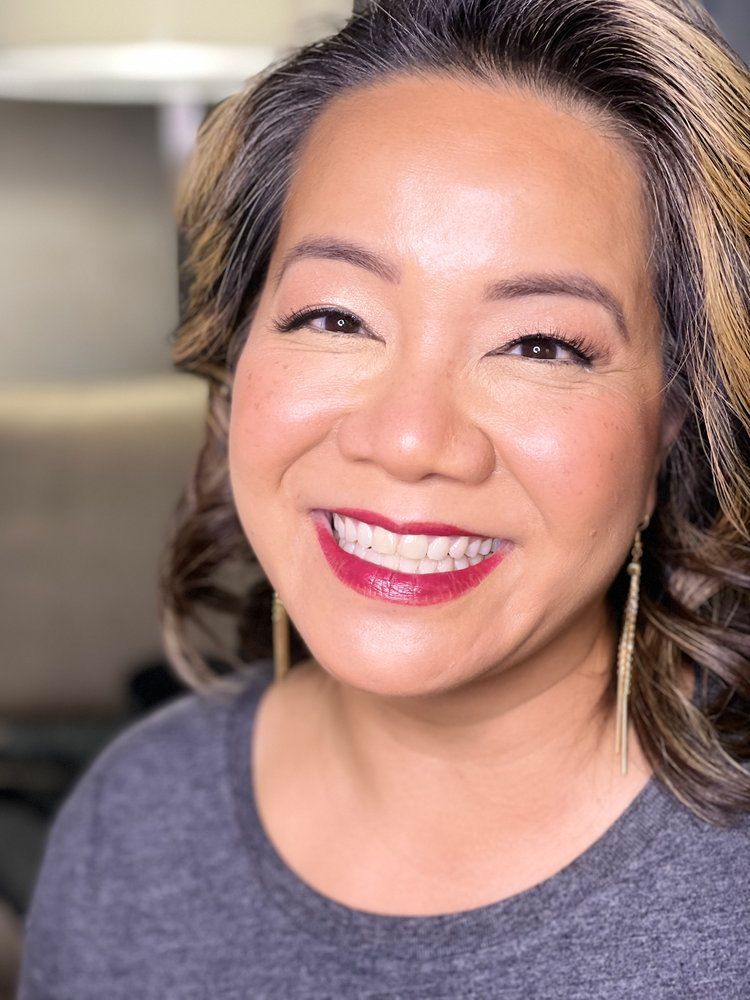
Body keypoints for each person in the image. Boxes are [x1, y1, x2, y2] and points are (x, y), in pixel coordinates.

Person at [18, 0, 750, 996]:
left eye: (539, 345)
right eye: (336, 317)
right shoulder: (134, 824)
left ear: (671, 420)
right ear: (238, 351)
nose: (409, 439)